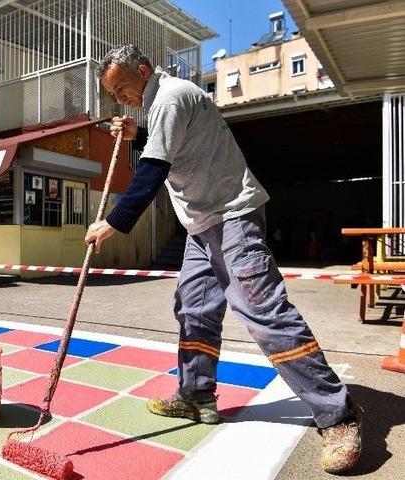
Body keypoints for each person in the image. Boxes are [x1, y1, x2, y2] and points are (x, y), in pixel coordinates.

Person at [84, 44, 362, 474]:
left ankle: (338, 413)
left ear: (143, 70)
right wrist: (138, 136)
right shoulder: (162, 105)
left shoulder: (170, 96)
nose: (120, 98)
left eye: (122, 87)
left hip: (232, 216)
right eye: (113, 94)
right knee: (194, 309)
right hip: (202, 225)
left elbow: (154, 169)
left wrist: (114, 222)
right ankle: (195, 395)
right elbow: (177, 149)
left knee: (263, 312)